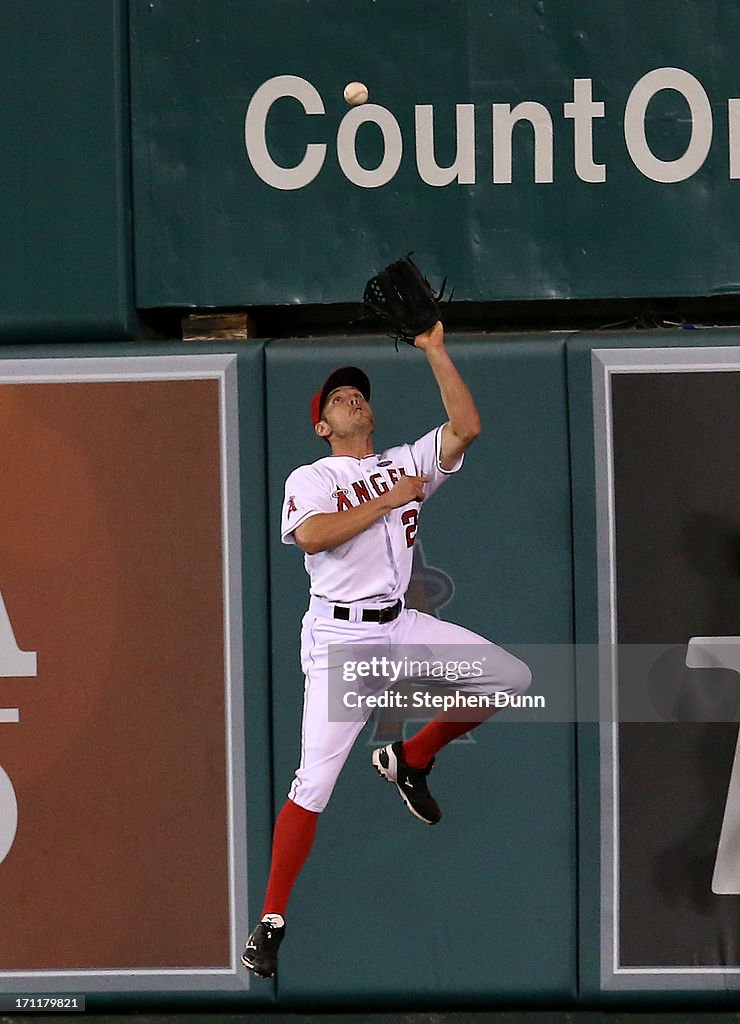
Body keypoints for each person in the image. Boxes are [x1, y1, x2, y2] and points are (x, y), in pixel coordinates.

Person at [241, 320, 531, 979]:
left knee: (508, 677)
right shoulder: (311, 474)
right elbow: (313, 537)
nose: (352, 398)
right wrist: (386, 503)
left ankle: (410, 757)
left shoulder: (403, 462)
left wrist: (434, 349)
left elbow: (465, 429)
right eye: (338, 397)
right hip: (342, 641)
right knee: (314, 782)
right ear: (322, 426)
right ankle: (271, 922)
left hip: (399, 628)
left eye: (358, 393)